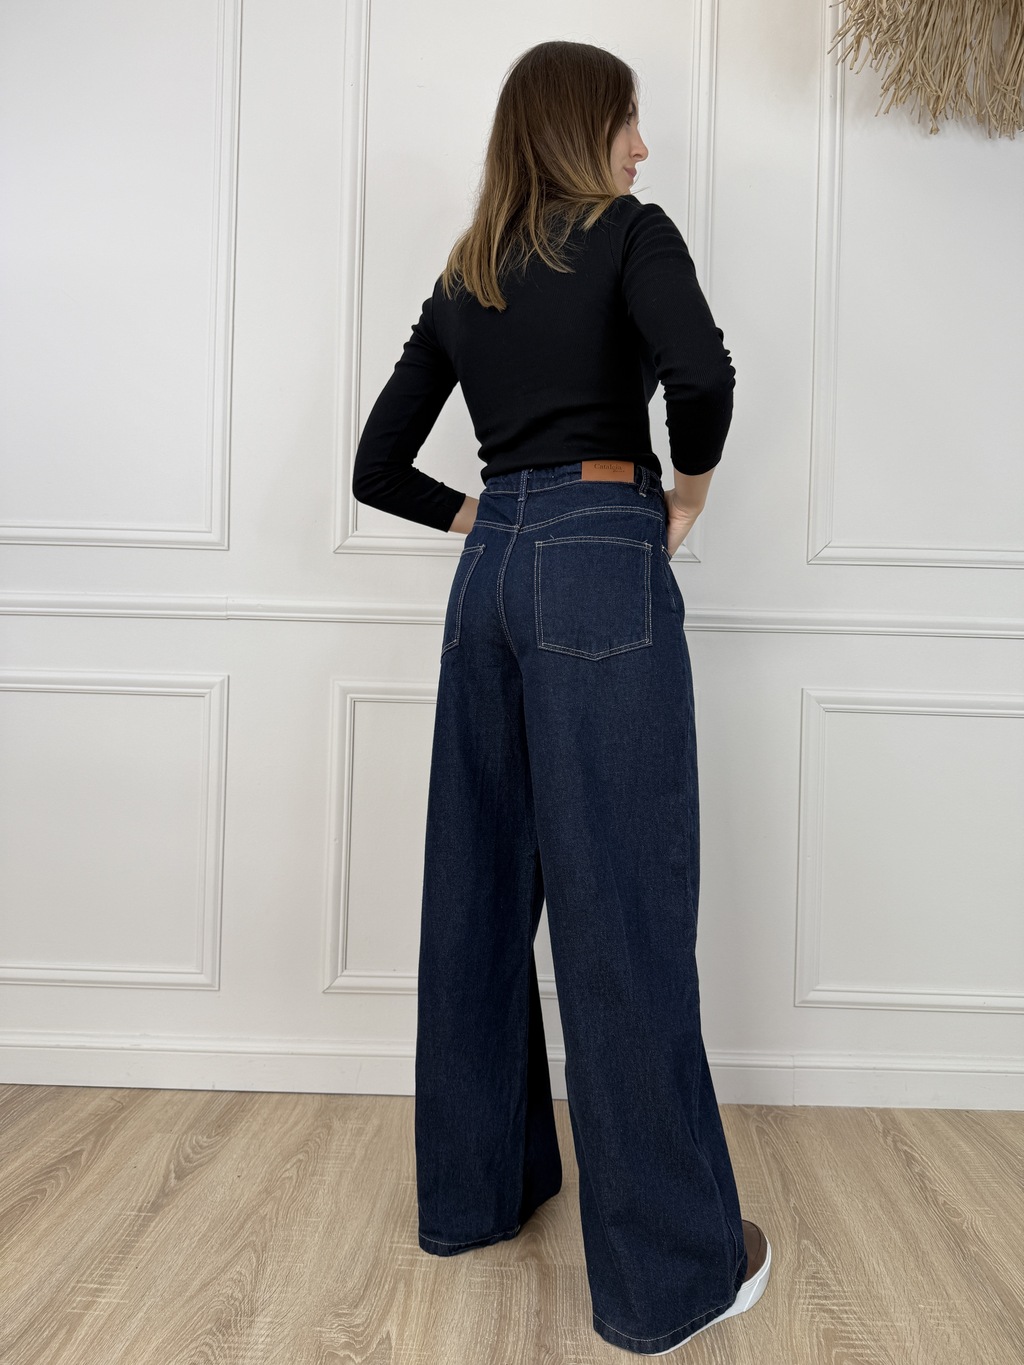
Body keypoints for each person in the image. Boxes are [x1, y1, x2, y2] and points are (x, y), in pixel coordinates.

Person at [352, 39, 771, 1358]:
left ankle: (477, 1200)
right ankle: (673, 1281)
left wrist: (484, 518)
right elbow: (703, 376)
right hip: (601, 556)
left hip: (488, 579)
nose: (644, 147)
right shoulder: (632, 234)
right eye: (630, 121)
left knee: (479, 896)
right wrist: (687, 492)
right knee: (623, 907)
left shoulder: (468, 269)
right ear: (586, 126)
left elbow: (375, 465)